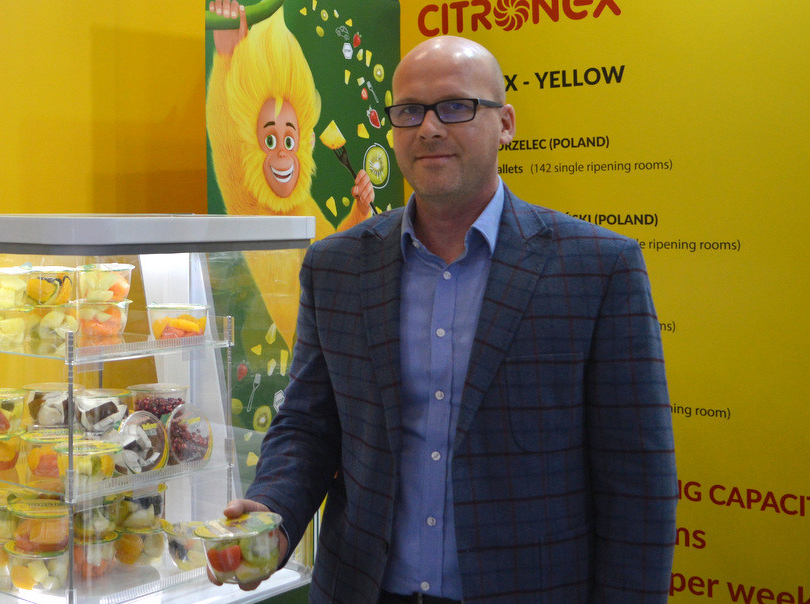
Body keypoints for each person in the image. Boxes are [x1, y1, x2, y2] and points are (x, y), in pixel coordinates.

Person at [217, 35, 676, 603]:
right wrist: (273, 515)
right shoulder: (336, 266)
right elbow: (309, 426)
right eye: (409, 111)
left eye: (456, 107)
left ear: (505, 124)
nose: (429, 128)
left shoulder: (598, 269)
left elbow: (638, 484)